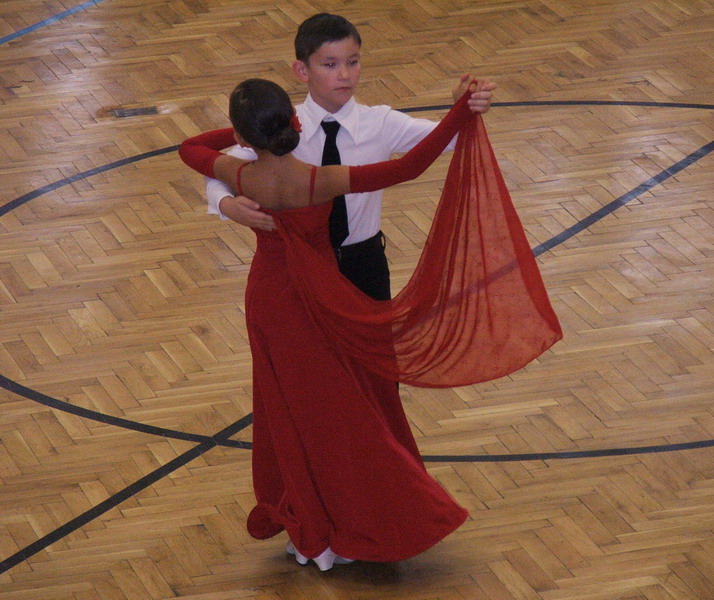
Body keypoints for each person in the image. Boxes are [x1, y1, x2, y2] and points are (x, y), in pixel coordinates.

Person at [180, 76, 563, 571]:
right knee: (339, 415)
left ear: (244, 136)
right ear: (293, 123)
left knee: (288, 412)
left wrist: (245, 142)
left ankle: (311, 521)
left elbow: (190, 148)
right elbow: (409, 166)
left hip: (269, 304)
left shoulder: (241, 175)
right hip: (320, 302)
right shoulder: (320, 180)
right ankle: (358, 519)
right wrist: (460, 114)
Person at [205, 12, 497, 526]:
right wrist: (226, 205)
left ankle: (382, 502)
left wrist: (462, 111)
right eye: (330, 64)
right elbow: (222, 169)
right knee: (315, 398)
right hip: (304, 275)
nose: (344, 74)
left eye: (353, 62)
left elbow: (447, 140)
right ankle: (331, 502)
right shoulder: (282, 128)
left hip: (363, 269)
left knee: (376, 388)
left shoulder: (381, 123)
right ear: (301, 71)